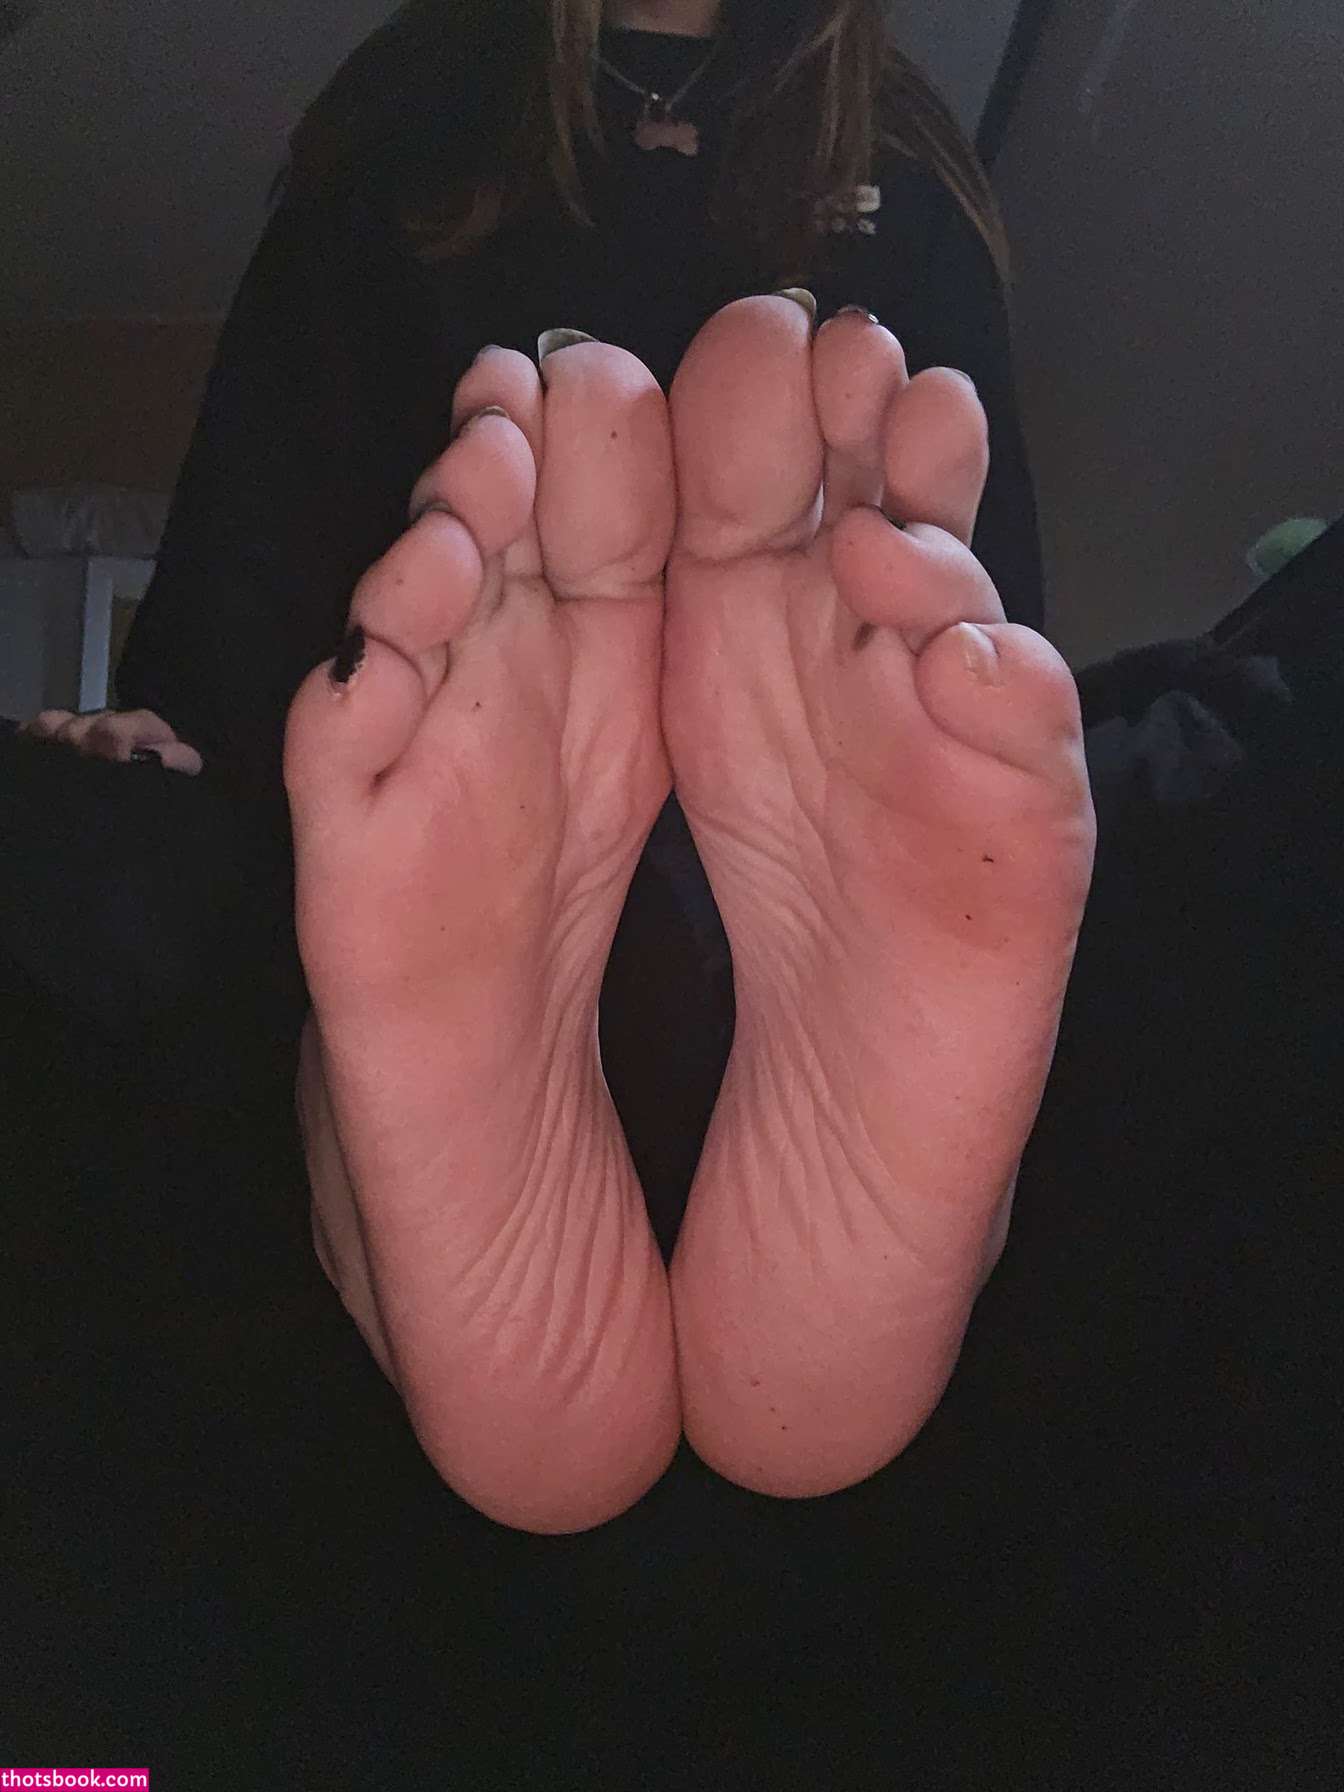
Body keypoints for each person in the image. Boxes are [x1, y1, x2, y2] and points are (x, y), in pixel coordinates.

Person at [15, 0, 1095, 1535]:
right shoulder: (421, 139)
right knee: (170, 869)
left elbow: (977, 659)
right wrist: (150, 749)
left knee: (317, 925)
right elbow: (246, 565)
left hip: (687, 837)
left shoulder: (417, 144)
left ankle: (416, 1164)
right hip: (450, 822)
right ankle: (833, 1221)